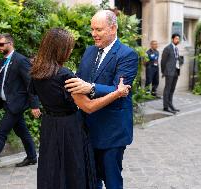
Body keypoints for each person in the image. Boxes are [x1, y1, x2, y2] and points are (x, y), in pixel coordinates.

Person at [29, 28, 131, 189]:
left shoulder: (37, 70)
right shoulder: (64, 75)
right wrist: (117, 93)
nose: (70, 51)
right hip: (69, 128)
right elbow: (88, 107)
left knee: (53, 169)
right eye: (68, 47)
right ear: (60, 49)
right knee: (73, 171)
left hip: (49, 126)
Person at [64, 10, 138, 189]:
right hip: (87, 128)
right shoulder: (89, 51)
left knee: (112, 180)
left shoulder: (127, 55)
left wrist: (92, 88)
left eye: (98, 30)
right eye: (92, 29)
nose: (93, 34)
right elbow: (80, 81)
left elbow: (120, 90)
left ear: (113, 28)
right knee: (91, 179)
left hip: (112, 131)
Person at [0, 33, 40, 176]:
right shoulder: (2, 61)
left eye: (1, 44)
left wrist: (35, 105)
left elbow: (31, 83)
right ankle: (32, 157)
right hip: (7, 103)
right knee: (22, 131)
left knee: (1, 133)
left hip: (16, 105)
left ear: (10, 43)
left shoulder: (21, 60)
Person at [161, 33, 182, 114]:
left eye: (178, 39)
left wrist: (180, 61)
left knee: (172, 89)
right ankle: (165, 107)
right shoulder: (167, 48)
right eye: (176, 38)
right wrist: (163, 71)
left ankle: (171, 105)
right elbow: (163, 61)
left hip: (176, 71)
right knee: (167, 89)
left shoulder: (176, 48)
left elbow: (177, 59)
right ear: (172, 39)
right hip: (169, 72)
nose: (178, 40)